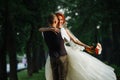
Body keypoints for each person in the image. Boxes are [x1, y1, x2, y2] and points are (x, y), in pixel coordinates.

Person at [39, 12, 117, 80]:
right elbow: (74, 41)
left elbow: (75, 41)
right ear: (55, 20)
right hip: (60, 55)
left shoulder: (51, 31)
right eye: (59, 19)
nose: (60, 21)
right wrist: (50, 29)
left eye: (62, 19)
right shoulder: (59, 31)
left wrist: (87, 46)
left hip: (57, 55)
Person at [41, 13, 68, 80]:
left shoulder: (43, 33)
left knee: (55, 77)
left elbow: (41, 29)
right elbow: (68, 40)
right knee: (63, 77)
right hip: (62, 56)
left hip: (52, 57)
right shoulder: (61, 30)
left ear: (48, 22)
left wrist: (49, 29)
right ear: (56, 21)